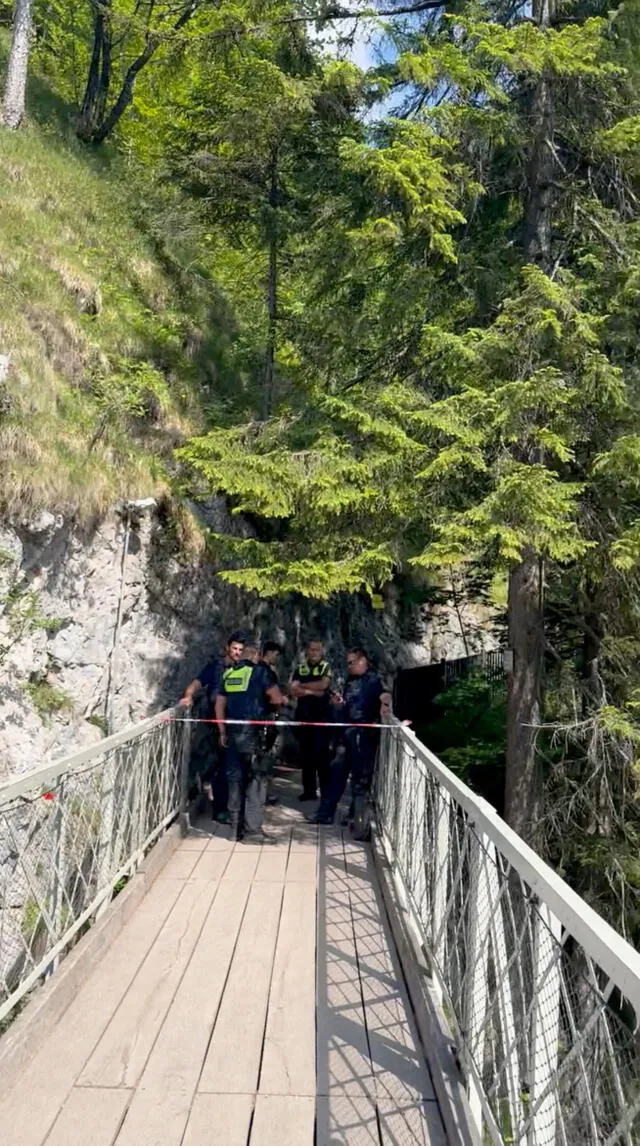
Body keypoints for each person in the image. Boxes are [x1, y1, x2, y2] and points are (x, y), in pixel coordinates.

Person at [307, 647, 388, 839]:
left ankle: (358, 822)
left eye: (351, 662)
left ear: (362, 661)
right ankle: (325, 814)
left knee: (360, 782)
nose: (348, 666)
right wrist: (339, 704)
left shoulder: (373, 680)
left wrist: (386, 705)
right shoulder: (351, 681)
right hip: (346, 734)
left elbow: (384, 695)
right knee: (336, 774)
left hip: (364, 736)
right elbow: (347, 708)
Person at [215, 650, 285, 843]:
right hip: (254, 735)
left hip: (231, 733)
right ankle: (252, 831)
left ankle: (234, 829)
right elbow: (276, 698)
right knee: (257, 780)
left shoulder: (228, 674)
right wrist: (279, 703)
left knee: (235, 780)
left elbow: (219, 705)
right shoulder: (260, 672)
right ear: (255, 657)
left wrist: (222, 731)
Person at [179, 632, 245, 821]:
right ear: (227, 647)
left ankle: (221, 809)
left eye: (241, 650)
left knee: (224, 767)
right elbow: (196, 684)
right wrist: (188, 696)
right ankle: (192, 796)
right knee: (201, 761)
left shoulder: (243, 670)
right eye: (234, 648)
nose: (237, 653)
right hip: (210, 723)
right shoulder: (215, 667)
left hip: (230, 723)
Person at [290, 638, 333, 802]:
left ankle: (326, 791)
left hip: (321, 719)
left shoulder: (325, 667)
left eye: (317, 650)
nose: (314, 653)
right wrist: (311, 691)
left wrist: (304, 687)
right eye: (312, 649)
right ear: (307, 651)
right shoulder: (300, 668)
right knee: (306, 757)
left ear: (322, 652)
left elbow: (324, 685)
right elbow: (293, 690)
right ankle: (309, 791)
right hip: (303, 718)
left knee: (322, 757)